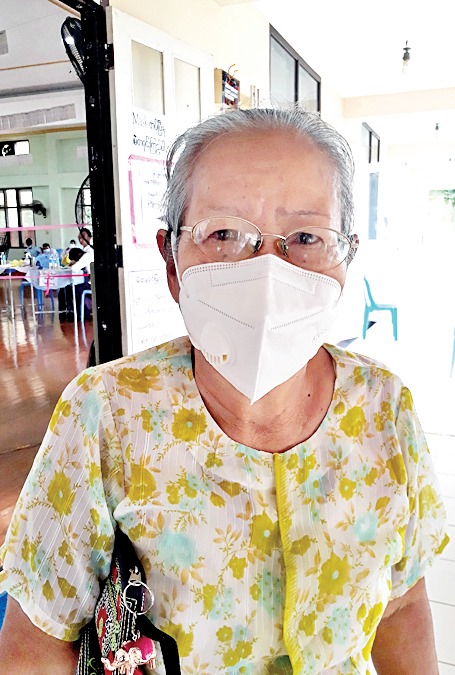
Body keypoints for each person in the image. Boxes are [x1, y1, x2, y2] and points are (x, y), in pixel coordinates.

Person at [0, 108, 449, 675]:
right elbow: (37, 644)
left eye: (305, 237)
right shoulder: (105, 414)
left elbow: (401, 606)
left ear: (345, 259)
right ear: (171, 263)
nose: (268, 272)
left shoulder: (385, 407)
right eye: (224, 235)